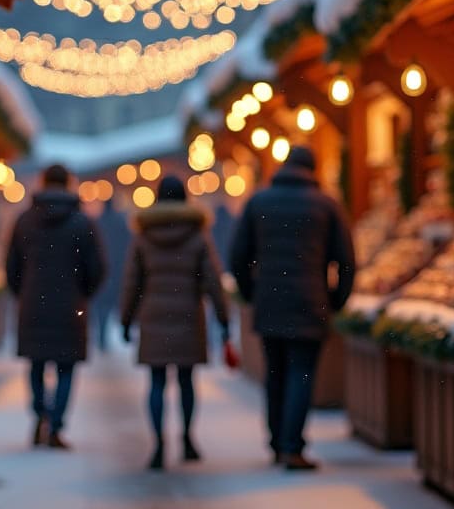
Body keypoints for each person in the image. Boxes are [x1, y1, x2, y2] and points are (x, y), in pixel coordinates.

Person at [230, 145, 355, 472]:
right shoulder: (326, 205)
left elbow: (238, 256)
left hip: (269, 302)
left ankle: (277, 442)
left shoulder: (258, 202)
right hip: (310, 301)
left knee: (275, 374)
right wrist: (335, 300)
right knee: (302, 373)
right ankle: (292, 446)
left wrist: (252, 293)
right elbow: (346, 260)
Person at [120, 173, 230, 470]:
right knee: (186, 381)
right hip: (187, 315)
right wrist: (223, 318)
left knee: (156, 382)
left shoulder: (144, 236)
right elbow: (212, 280)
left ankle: (158, 443)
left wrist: (126, 319)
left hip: (153, 315)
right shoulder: (197, 234)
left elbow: (132, 282)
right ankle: (187, 439)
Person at [5, 163, 105, 449]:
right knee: (66, 367)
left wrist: (23, 293)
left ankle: (40, 415)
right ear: (69, 183)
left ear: (43, 182)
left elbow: (11, 266)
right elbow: (97, 267)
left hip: (33, 304)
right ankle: (56, 425)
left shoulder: (24, 220)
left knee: (36, 364)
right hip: (70, 306)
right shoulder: (82, 223)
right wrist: (82, 293)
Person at [92, 197, 131, 349]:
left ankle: (101, 336)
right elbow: (127, 245)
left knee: (100, 305)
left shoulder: (97, 222)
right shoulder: (120, 223)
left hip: (101, 269)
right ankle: (104, 337)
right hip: (115, 269)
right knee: (108, 304)